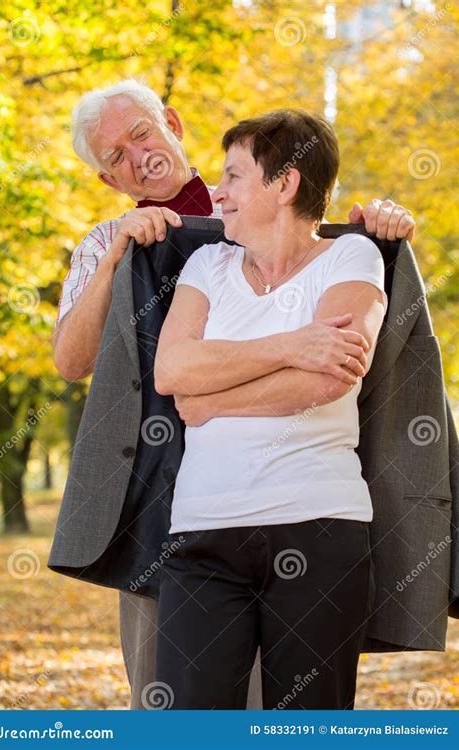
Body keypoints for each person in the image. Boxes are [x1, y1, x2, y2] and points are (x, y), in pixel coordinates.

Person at [51, 78, 415, 710]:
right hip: (161, 501)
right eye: (116, 157)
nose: (138, 156)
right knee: (174, 701)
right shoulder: (117, 246)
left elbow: (324, 265)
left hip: (302, 501)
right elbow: (72, 361)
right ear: (109, 181)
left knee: (294, 706)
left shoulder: (255, 208)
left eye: (141, 134)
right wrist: (116, 259)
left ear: (172, 122)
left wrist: (383, 223)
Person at [154, 109, 387, 709]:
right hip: (202, 532)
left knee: (306, 730)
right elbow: (172, 372)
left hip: (318, 527)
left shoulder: (351, 259)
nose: (218, 192)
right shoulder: (208, 265)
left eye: (233, 176)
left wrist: (209, 399)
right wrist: (289, 346)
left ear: (283, 184)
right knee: (190, 730)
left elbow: (330, 380)